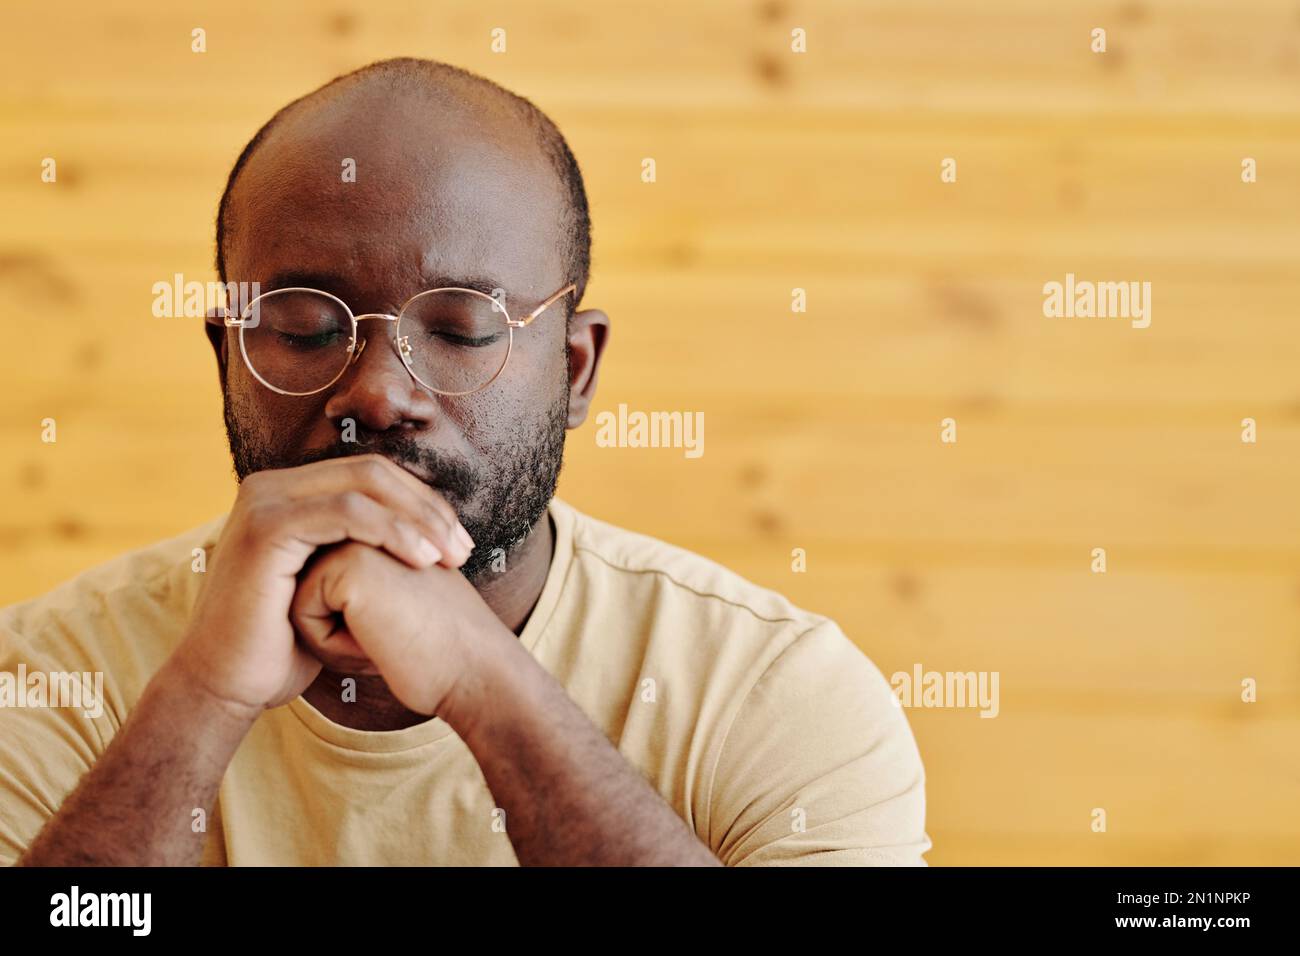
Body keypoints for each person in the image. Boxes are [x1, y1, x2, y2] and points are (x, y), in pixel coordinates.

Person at [1, 58, 929, 866]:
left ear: (575, 370)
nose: (376, 393)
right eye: (305, 328)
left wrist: (492, 690)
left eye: (459, 331)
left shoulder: (770, 692)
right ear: (227, 359)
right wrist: (201, 699)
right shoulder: (46, 676)